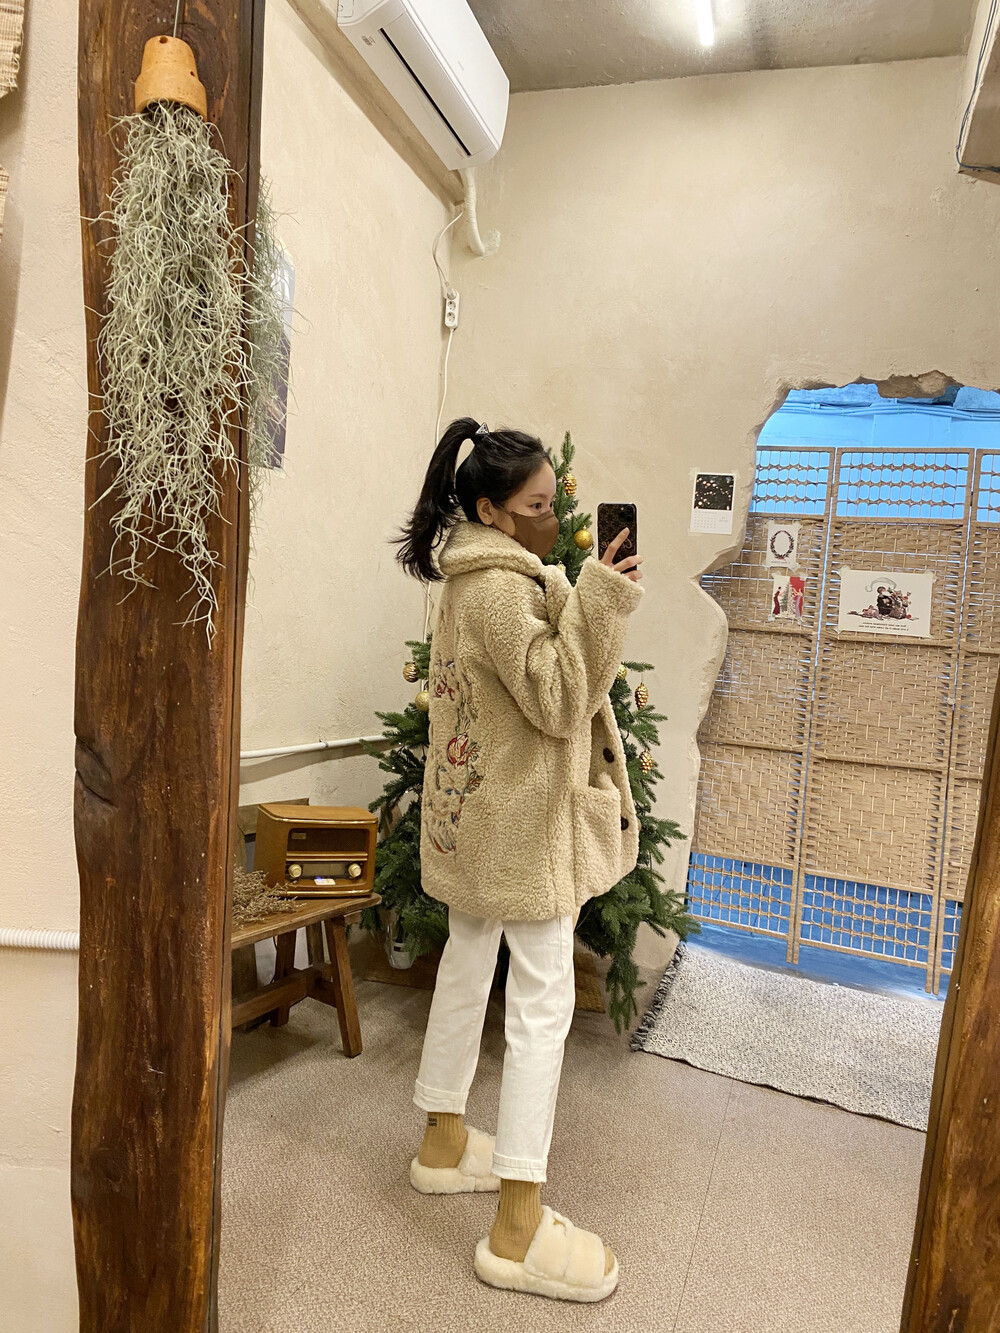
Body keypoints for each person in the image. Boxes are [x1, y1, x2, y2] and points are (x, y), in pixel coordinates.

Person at [393, 417, 644, 1303]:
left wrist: (581, 589)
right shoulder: (500, 589)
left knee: (468, 963)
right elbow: (561, 698)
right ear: (492, 512)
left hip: (481, 824)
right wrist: (602, 595)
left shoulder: (474, 579)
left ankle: (444, 1139)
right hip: (520, 830)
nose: (555, 518)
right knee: (543, 1002)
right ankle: (516, 1228)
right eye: (538, 506)